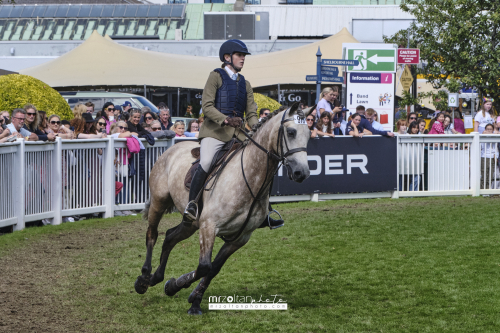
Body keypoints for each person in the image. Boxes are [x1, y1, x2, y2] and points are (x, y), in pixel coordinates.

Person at [183, 39, 282, 230]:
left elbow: (252, 115)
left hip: (239, 134)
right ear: (227, 57)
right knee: (206, 162)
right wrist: (226, 120)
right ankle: (192, 205)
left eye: (244, 56)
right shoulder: (215, 76)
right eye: (240, 55)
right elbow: (207, 106)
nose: (243, 59)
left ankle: (264, 211)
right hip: (215, 132)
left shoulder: (245, 83)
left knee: (263, 163)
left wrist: (259, 129)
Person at [480, 124, 498, 189]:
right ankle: (482, 189)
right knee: (484, 174)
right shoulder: (483, 134)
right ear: (485, 129)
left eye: (490, 129)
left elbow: (495, 148)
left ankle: (488, 189)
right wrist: (493, 133)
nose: (489, 130)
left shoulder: (495, 136)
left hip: (492, 157)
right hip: (484, 157)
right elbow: (484, 133)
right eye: (488, 129)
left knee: (490, 175)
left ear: (493, 130)